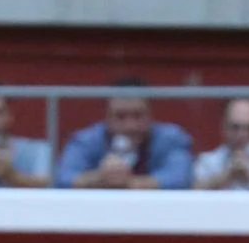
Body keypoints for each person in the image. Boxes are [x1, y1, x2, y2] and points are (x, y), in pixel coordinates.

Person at [54, 76, 193, 190]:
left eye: (138, 115)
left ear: (151, 115)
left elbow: (181, 178)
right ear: (106, 117)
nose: (130, 126)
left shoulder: (171, 138)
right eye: (120, 116)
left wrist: (128, 182)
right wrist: (100, 176)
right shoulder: (86, 140)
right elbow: (62, 178)